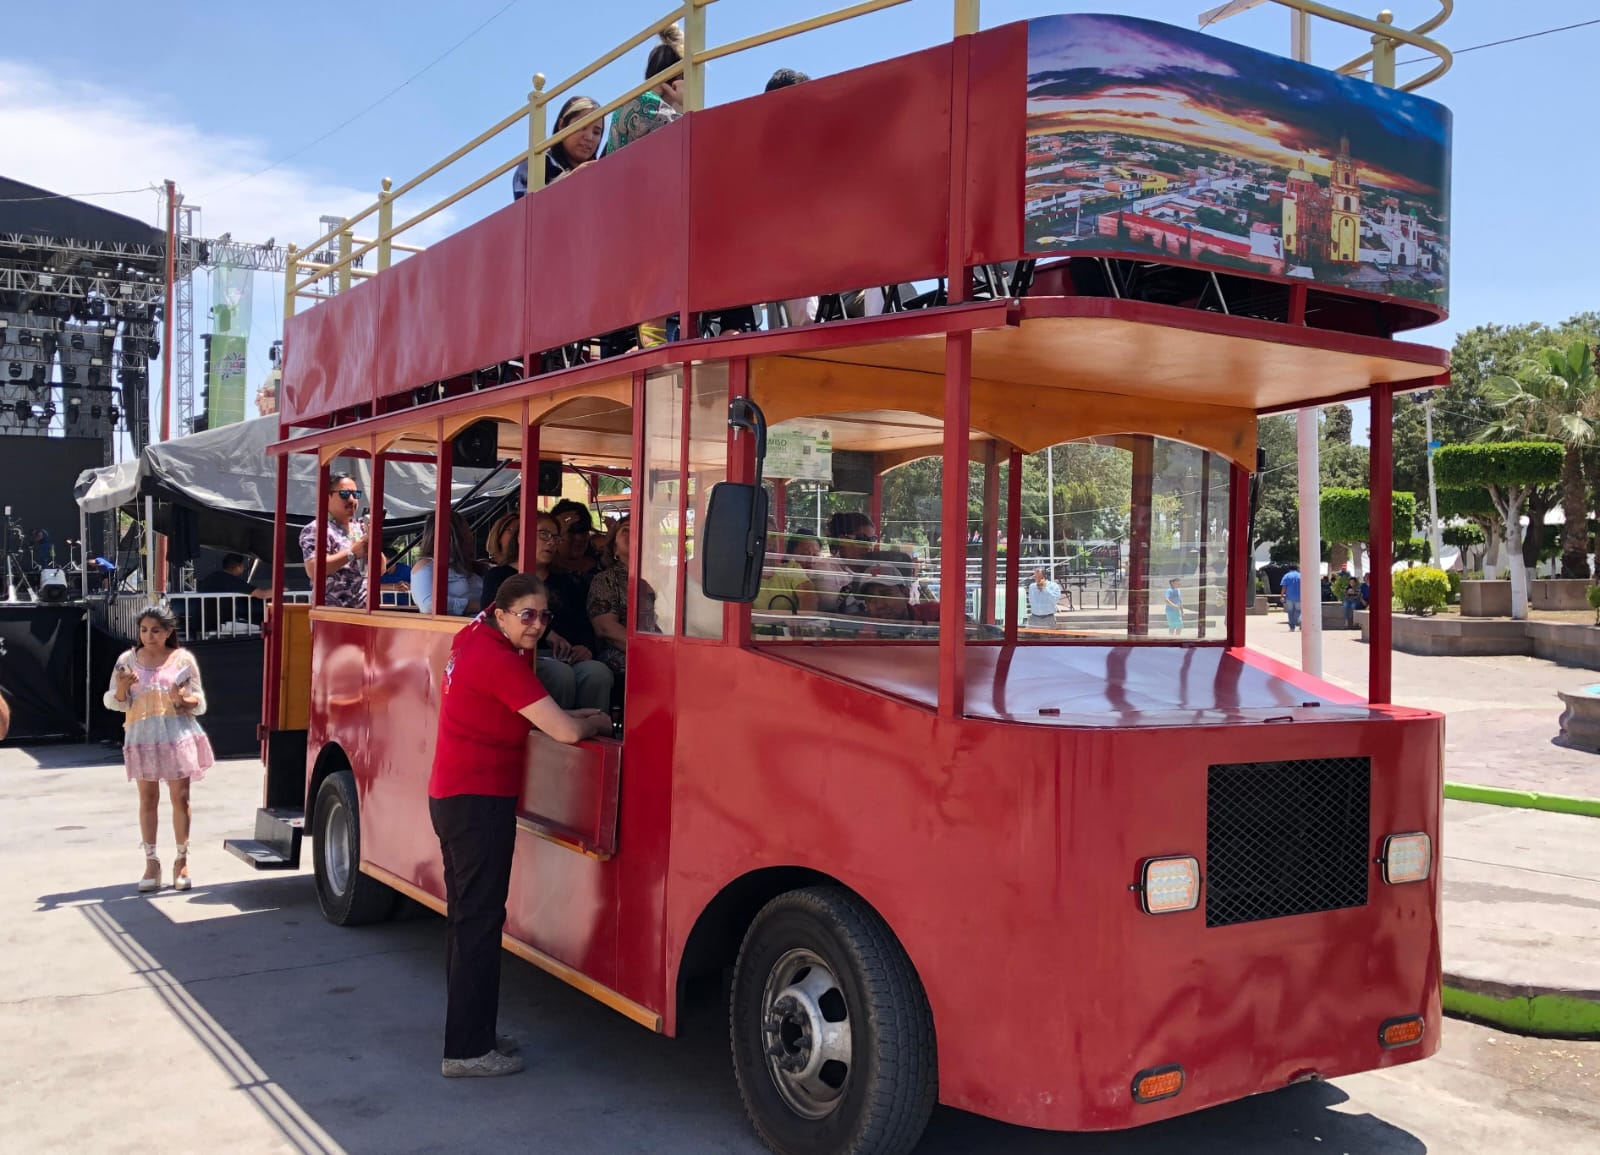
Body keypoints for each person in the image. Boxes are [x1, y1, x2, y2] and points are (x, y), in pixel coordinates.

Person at [428, 574, 612, 1079]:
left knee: (468, 919)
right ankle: (467, 1051)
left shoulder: (473, 638)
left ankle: (472, 1033)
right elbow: (565, 730)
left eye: (544, 616)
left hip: (454, 796)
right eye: (526, 615)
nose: (536, 625)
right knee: (479, 922)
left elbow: (526, 709)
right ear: (502, 612)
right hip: (477, 803)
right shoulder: (498, 661)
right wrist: (596, 721)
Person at [103, 605, 213, 893]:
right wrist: (122, 688)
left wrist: (181, 699)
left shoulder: (182, 659)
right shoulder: (127, 659)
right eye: (143, 630)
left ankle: (182, 860)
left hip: (176, 734)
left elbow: (198, 702)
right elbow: (114, 702)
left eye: (155, 630)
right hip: (142, 736)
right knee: (147, 798)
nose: (148, 636)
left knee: (181, 797)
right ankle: (151, 862)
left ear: (168, 632)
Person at [529, 512, 613, 711]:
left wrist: (585, 646)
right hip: (529, 653)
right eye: (543, 535)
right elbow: (498, 619)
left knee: (597, 673)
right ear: (521, 536)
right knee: (560, 675)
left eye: (555, 537)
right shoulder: (503, 575)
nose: (550, 542)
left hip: (566, 655)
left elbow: (582, 622)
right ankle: (558, 735)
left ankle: (594, 733)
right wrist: (548, 634)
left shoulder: (565, 580)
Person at [588, 515, 657, 677]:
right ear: (614, 549)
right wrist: (649, 651)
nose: (633, 533)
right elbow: (606, 628)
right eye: (626, 530)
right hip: (625, 655)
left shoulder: (667, 577)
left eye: (640, 529)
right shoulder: (606, 580)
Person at [300, 473, 381, 608]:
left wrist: (374, 540)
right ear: (327, 497)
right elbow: (313, 569)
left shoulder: (361, 527)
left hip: (364, 613)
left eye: (356, 495)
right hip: (332, 615)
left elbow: (381, 568)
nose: (352, 499)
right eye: (344, 494)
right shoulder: (316, 529)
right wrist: (352, 553)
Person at [605, 26, 684, 156]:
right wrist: (687, 102)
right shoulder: (645, 102)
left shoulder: (636, 99)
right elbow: (691, 138)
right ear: (679, 79)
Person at [512, 94, 605, 200]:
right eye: (582, 127)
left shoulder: (601, 171)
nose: (589, 137)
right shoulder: (538, 163)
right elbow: (526, 207)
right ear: (561, 125)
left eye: (596, 132)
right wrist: (570, 180)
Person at [411, 511, 483, 616]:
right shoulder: (426, 566)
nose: (470, 535)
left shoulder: (473, 566)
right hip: (454, 628)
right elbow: (428, 605)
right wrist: (477, 605)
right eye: (466, 530)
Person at [813, 511, 878, 613]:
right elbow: (829, 607)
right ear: (843, 540)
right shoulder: (824, 568)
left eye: (872, 540)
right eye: (862, 539)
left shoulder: (871, 570)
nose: (869, 546)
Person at [756, 533, 821, 614]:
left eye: (773, 536)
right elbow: (745, 615)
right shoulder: (742, 577)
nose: (771, 541)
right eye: (805, 554)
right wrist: (788, 617)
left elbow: (808, 596)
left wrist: (799, 620)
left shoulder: (791, 567)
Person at [198, 553, 268, 625]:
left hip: (204, 621)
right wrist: (278, 591)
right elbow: (262, 594)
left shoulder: (211, 577)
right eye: (243, 566)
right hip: (224, 622)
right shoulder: (232, 581)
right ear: (238, 567)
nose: (244, 568)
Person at [479, 510, 520, 609]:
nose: (516, 536)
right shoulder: (486, 569)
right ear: (498, 535)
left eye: (519, 532)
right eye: (511, 530)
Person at [1280, 565, 1302, 632]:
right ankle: (1300, 622)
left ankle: (1292, 627)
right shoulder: (1301, 575)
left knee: (1290, 612)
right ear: (1297, 569)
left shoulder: (1287, 575)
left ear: (1289, 569)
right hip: (1299, 597)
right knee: (1299, 611)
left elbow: (1284, 587)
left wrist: (1282, 596)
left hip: (1289, 597)